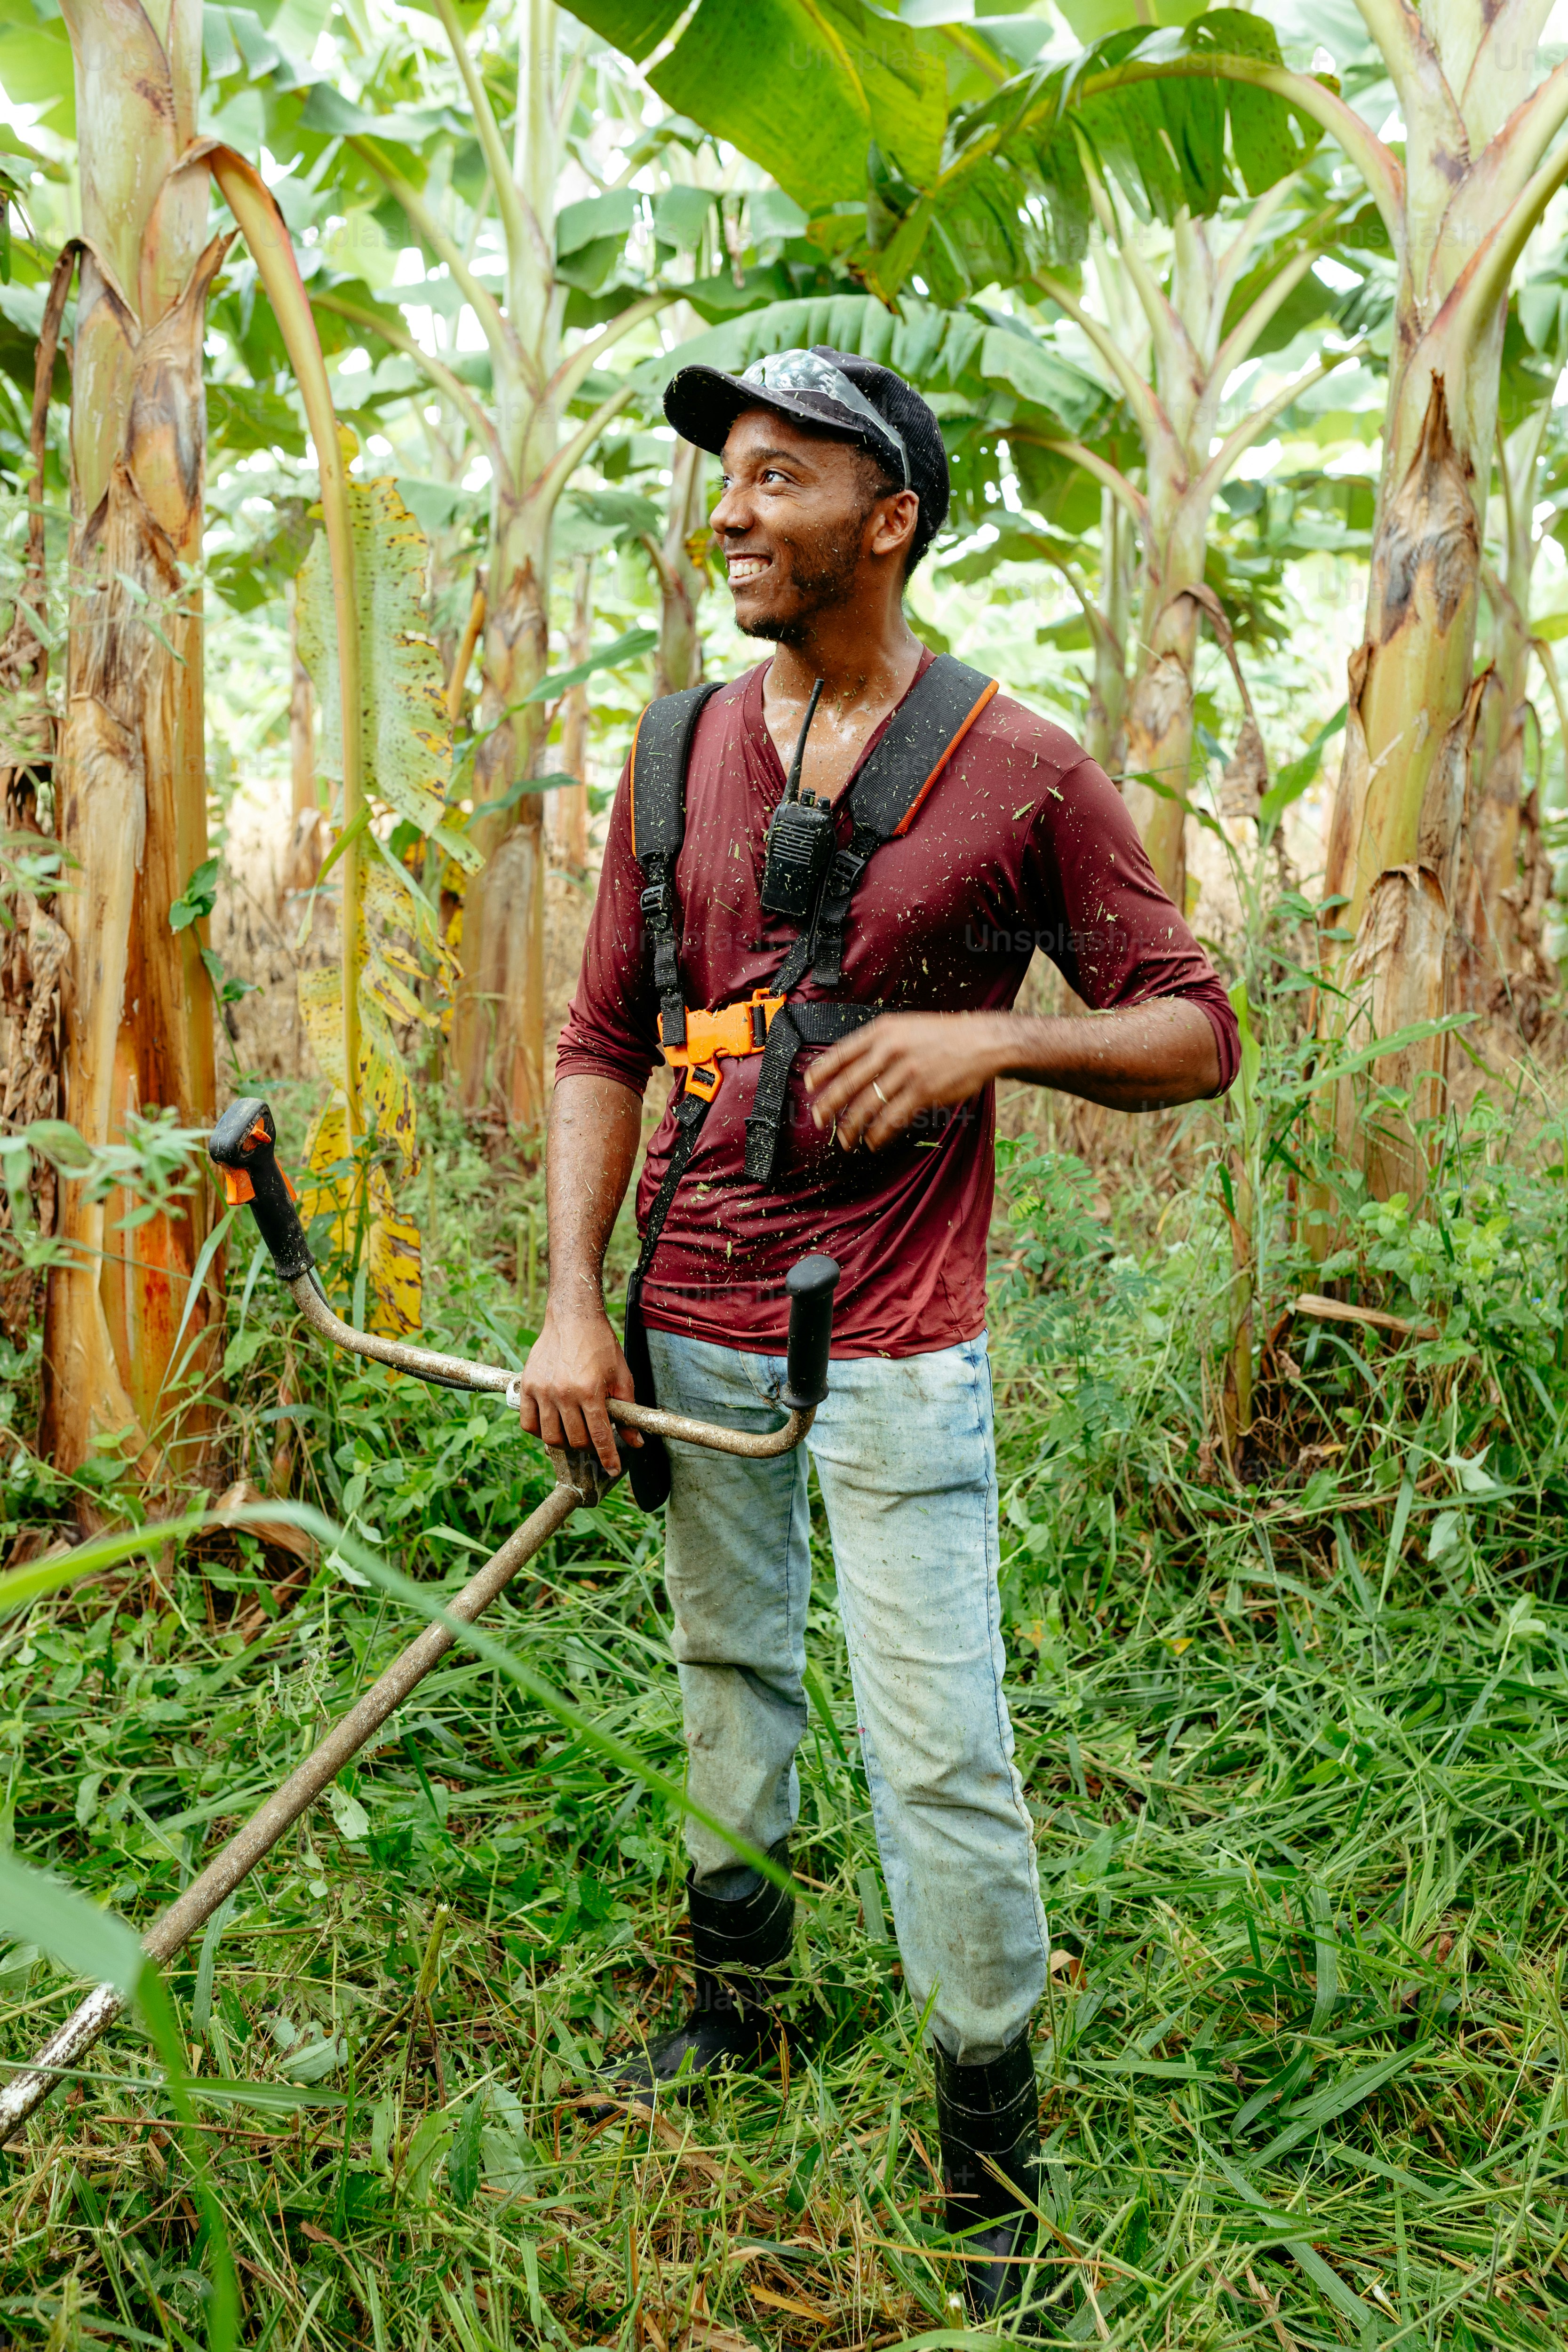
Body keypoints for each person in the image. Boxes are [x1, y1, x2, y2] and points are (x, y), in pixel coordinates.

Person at [522, 345, 1238, 2317]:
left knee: (938, 1751)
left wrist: (999, 1031)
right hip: (690, 1312)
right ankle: (734, 2002)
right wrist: (578, 1303)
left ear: (888, 518)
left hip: (900, 1340)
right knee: (726, 1666)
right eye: (723, 482)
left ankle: (988, 2136)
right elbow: (599, 1039)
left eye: (773, 478)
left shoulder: (1021, 769)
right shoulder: (673, 757)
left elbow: (1197, 1025)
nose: (729, 512)